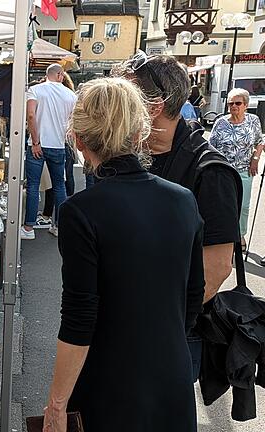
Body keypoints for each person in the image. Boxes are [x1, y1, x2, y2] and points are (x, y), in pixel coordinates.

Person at [43, 77, 204, 432]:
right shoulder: (182, 200)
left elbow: (79, 317)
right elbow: (193, 297)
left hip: (109, 381)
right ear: (139, 134)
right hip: (170, 375)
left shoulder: (81, 211)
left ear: (79, 140)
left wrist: (57, 404)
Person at [113, 52, 241, 379]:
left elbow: (216, 268)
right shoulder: (131, 155)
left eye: (124, 99)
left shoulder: (210, 172)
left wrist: (159, 326)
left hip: (171, 330)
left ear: (154, 107)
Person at [21, 64, 77, 240]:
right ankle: (58, 226)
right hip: (58, 146)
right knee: (59, 185)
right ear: (60, 75)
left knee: (33, 186)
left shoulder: (35, 90)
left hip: (37, 145)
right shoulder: (71, 95)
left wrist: (36, 141)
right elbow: (73, 122)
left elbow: (31, 115)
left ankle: (28, 228)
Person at [209, 88, 264, 252]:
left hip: (244, 170)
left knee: (243, 206)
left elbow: (259, 141)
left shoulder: (253, 121)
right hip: (223, 171)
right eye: (231, 103)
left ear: (246, 105)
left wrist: (255, 159)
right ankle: (223, 235)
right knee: (223, 204)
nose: (233, 106)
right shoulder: (221, 123)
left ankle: (240, 235)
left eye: (238, 103)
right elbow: (210, 145)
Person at [41, 72, 77, 224]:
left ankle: (51, 215)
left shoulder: (54, 98)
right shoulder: (70, 97)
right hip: (67, 142)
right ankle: (64, 214)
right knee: (65, 178)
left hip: (55, 142)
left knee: (55, 181)